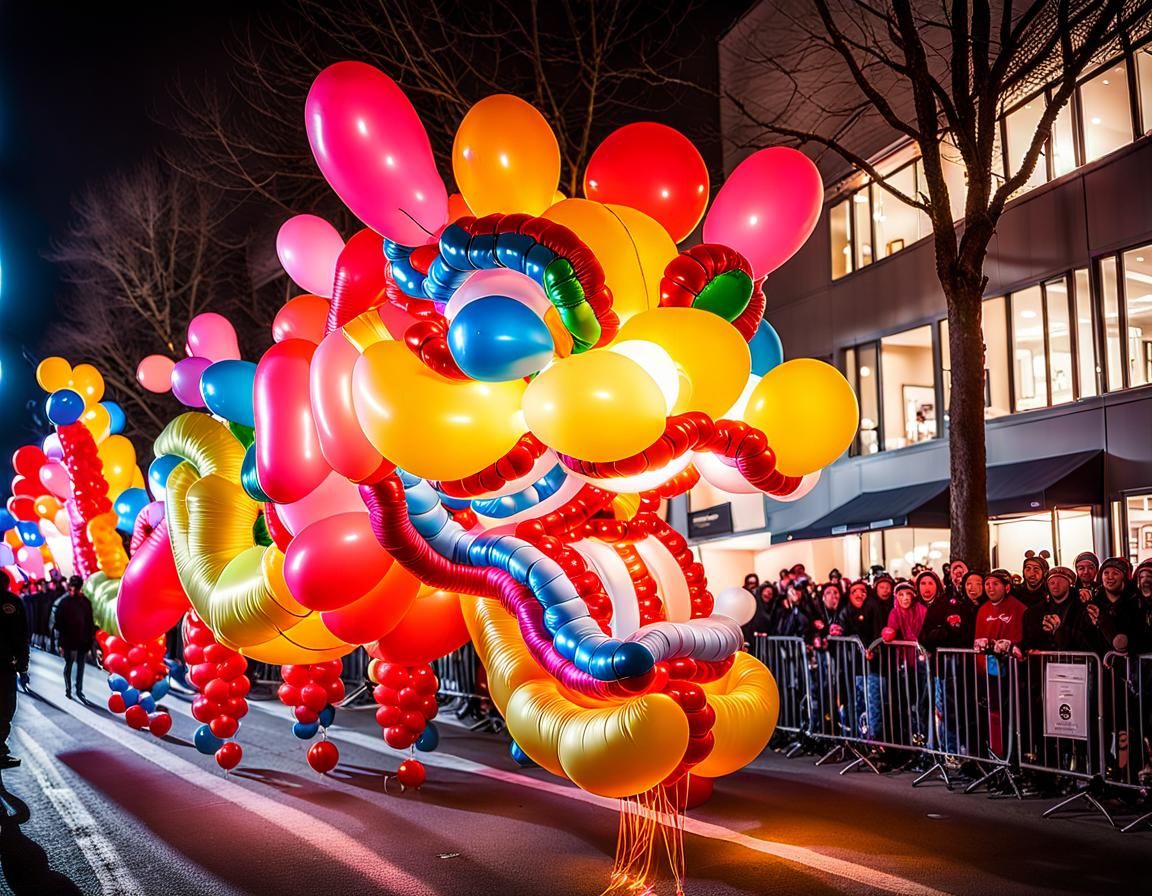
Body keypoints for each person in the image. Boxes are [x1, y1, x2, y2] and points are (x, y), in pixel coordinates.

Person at [974, 569, 1026, 759]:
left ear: (1007, 587)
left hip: (1012, 673)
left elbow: (1021, 638)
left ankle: (1012, 760)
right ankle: (996, 758)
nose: (990, 588)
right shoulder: (983, 609)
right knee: (992, 716)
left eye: (995, 584)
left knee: (1012, 718)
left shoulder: (1018, 608)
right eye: (987, 584)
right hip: (988, 673)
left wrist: (1010, 645)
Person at [1021, 566, 1096, 653]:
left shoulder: (1082, 610)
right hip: (1044, 662)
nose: (1055, 585)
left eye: (1060, 581)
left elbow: (1089, 642)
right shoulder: (1033, 612)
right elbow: (1028, 642)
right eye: (1052, 582)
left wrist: (1060, 632)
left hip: (1075, 662)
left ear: (1069, 584)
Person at [1, 576, 30, 769]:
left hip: (6, 665)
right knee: (5, 708)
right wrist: (22, 665)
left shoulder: (14, 603)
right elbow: (22, 635)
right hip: (5, 666)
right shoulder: (13, 602)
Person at [52, 575, 95, 700]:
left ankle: (78, 689)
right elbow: (58, 624)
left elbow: (89, 622)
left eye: (77, 587)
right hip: (68, 640)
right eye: (72, 587)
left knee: (80, 665)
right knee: (69, 664)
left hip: (82, 640)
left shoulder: (85, 602)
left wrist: (90, 639)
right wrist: (60, 642)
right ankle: (68, 688)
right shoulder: (64, 603)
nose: (74, 590)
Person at [1085, 557, 1139, 656]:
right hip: (1101, 663)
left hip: (1130, 663)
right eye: (1106, 573)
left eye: (1115, 573)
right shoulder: (1093, 602)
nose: (1110, 577)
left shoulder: (1135, 601)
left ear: (1123, 577)